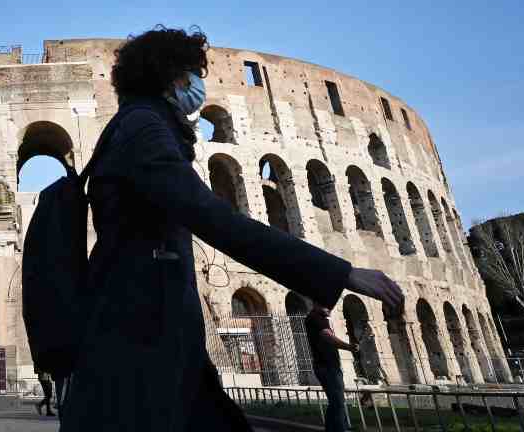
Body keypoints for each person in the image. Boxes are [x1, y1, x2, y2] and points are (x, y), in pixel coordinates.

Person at [58, 27, 404, 432]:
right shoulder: (143, 129)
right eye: (193, 74)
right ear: (173, 77)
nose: (199, 85)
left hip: (149, 330)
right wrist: (339, 272)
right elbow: (212, 217)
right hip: (140, 333)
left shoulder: (136, 126)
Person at [304, 305, 358, 432]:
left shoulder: (318, 318)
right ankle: (339, 428)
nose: (331, 308)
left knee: (337, 400)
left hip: (328, 365)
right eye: (328, 305)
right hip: (327, 366)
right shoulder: (316, 318)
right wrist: (348, 347)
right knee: (337, 401)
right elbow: (327, 337)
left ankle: (341, 427)